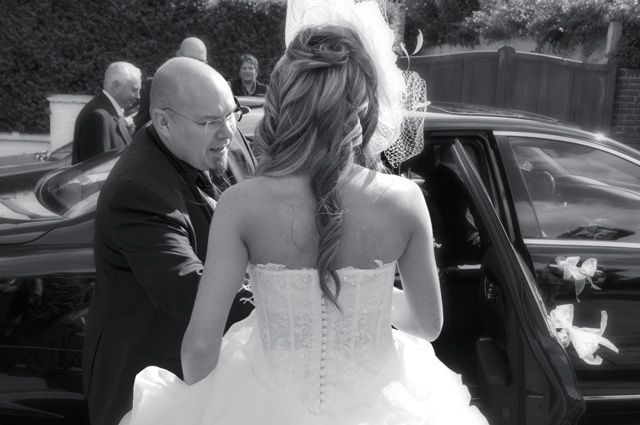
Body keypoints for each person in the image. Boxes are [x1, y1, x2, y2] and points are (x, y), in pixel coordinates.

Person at [120, 18, 487, 425]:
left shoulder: (240, 204)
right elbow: (428, 325)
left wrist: (206, 404)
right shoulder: (404, 200)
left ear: (282, 102)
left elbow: (199, 348)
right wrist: (365, 299)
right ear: (364, 106)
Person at [82, 57, 255, 425]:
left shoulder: (214, 141)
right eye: (211, 122)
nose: (227, 133)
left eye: (232, 115)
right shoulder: (138, 190)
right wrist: (288, 306)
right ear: (163, 122)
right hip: (148, 383)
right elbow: (187, 287)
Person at [71, 61, 141, 164]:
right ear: (116, 86)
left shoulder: (109, 113)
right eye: (134, 90)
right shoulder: (98, 117)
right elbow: (97, 169)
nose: (138, 96)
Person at [134, 37, 208, 131]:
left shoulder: (211, 93)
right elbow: (140, 127)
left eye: (200, 61)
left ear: (206, 63)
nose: (194, 65)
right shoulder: (154, 86)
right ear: (178, 56)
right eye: (189, 59)